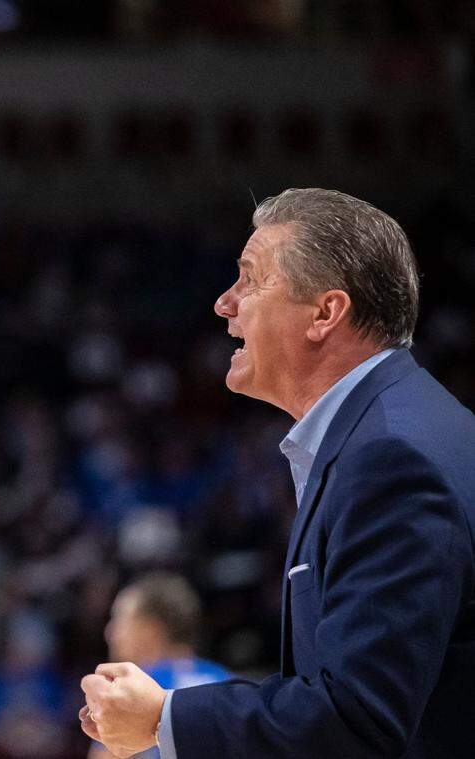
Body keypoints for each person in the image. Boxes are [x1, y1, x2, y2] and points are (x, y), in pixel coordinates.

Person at [78, 188, 475, 758]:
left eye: (250, 278)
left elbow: (357, 718)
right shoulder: (404, 425)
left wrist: (164, 717)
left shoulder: (391, 457)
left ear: (324, 313)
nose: (224, 302)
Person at [89, 573, 229, 759]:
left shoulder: (131, 692)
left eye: (119, 619)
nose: (109, 632)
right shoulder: (229, 683)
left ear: (150, 628)